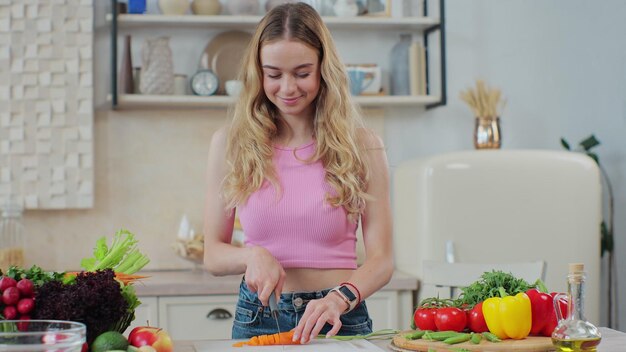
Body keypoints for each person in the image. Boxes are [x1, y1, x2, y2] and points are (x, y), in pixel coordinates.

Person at [202, 2, 393, 344]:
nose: (287, 88)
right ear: (258, 73)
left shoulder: (363, 146)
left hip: (339, 318)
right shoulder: (231, 144)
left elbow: (381, 260)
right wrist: (252, 254)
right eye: (273, 74)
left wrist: (341, 297)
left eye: (302, 73)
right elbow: (213, 254)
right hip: (259, 317)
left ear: (324, 69)